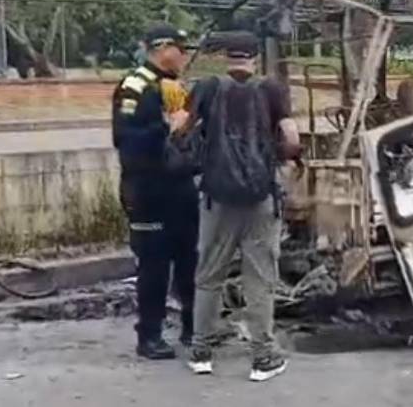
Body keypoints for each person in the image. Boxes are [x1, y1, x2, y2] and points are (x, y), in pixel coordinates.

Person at [186, 33, 301, 383]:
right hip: (260, 199)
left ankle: (201, 352)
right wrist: (277, 158)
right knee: (260, 280)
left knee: (208, 275)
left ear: (227, 56)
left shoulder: (206, 87)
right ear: (255, 57)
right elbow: (292, 138)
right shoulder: (272, 89)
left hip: (216, 198)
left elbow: (179, 127)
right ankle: (263, 358)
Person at [111, 25, 200, 360]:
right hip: (148, 190)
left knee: (191, 259)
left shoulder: (175, 86)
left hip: (180, 188)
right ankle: (149, 336)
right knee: (154, 266)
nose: (185, 55)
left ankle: (195, 328)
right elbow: (126, 139)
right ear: (162, 49)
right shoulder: (136, 87)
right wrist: (167, 126)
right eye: (181, 48)